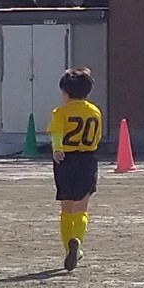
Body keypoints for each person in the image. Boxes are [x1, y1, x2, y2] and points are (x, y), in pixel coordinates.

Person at [47, 67, 102, 272]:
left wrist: (57, 149)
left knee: (66, 208)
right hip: (87, 159)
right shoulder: (95, 111)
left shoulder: (60, 112)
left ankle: (69, 245)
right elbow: (96, 138)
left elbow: (56, 133)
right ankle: (77, 242)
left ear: (66, 92)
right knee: (82, 207)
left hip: (66, 161)